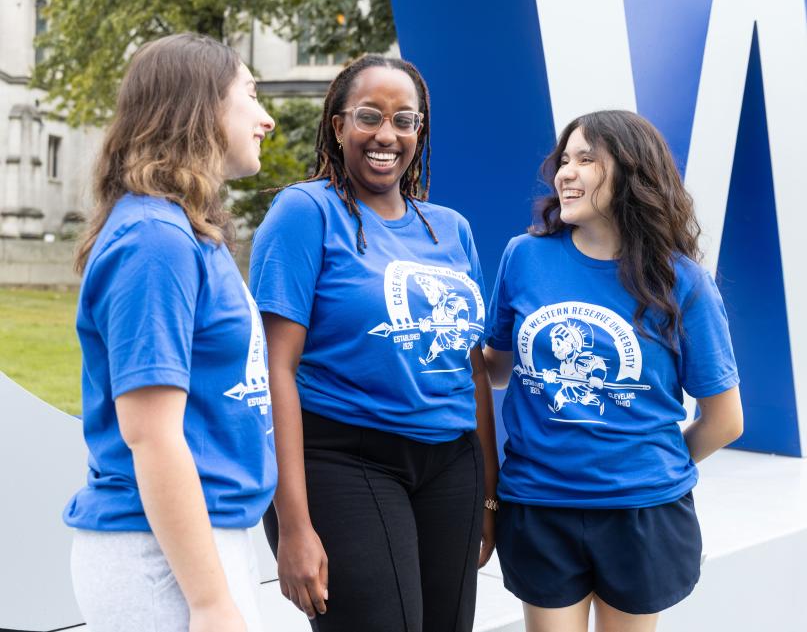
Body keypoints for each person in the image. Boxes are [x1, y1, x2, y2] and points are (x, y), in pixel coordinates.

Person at [249, 54, 499, 632]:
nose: (386, 134)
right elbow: (273, 370)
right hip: (343, 457)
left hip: (450, 468)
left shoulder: (451, 227)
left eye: (404, 120)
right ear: (338, 127)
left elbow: (474, 368)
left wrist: (488, 495)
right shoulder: (304, 212)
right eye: (369, 116)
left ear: (419, 132)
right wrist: (292, 523)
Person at [484, 110, 744, 632]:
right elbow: (496, 369)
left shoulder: (682, 282)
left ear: (630, 174)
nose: (565, 173)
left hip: (641, 512)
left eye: (586, 160)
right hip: (539, 504)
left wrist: (650, 465)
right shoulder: (524, 257)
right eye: (564, 160)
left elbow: (725, 419)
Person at [63, 33, 277, 632]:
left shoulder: (180, 231)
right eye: (250, 97)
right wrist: (211, 604)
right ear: (203, 106)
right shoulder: (154, 241)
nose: (266, 119)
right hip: (164, 560)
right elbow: (151, 435)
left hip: (193, 545)